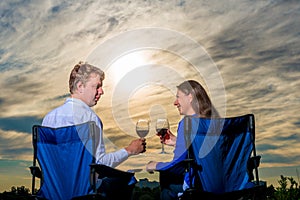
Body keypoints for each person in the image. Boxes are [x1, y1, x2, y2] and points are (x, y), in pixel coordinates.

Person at [42, 61, 146, 199]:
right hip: (83, 194)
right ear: (80, 86)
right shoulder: (90, 119)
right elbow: (100, 164)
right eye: (97, 86)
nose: (101, 91)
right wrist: (129, 150)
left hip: (53, 194)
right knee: (127, 180)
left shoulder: (48, 119)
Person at [146, 80, 219, 200]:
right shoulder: (216, 123)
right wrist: (177, 141)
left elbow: (177, 163)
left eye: (178, 97)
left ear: (190, 97)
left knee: (166, 178)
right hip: (226, 185)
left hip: (200, 187)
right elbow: (205, 150)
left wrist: (154, 165)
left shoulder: (187, 123)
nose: (175, 103)